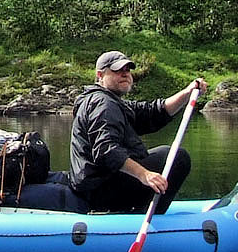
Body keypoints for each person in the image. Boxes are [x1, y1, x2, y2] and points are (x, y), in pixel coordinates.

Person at [70, 51, 206, 213]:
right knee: (178, 158)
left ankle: (144, 208)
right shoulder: (103, 104)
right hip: (99, 189)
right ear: (100, 75)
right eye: (117, 70)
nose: (125, 74)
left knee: (168, 154)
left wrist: (187, 93)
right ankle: (147, 216)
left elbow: (153, 113)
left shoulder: (113, 102)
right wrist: (144, 174)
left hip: (101, 183)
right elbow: (106, 151)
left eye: (127, 70)